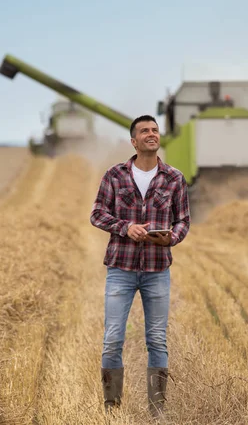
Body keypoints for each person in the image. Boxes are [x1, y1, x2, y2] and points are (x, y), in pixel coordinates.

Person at [90, 114, 190, 418]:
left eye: (155, 130)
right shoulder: (115, 175)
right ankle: (112, 407)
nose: (151, 134)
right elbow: (96, 214)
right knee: (113, 338)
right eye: (144, 131)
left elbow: (183, 220)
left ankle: (157, 410)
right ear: (133, 141)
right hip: (121, 268)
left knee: (157, 339)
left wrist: (171, 238)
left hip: (158, 270)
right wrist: (125, 227)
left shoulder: (174, 178)